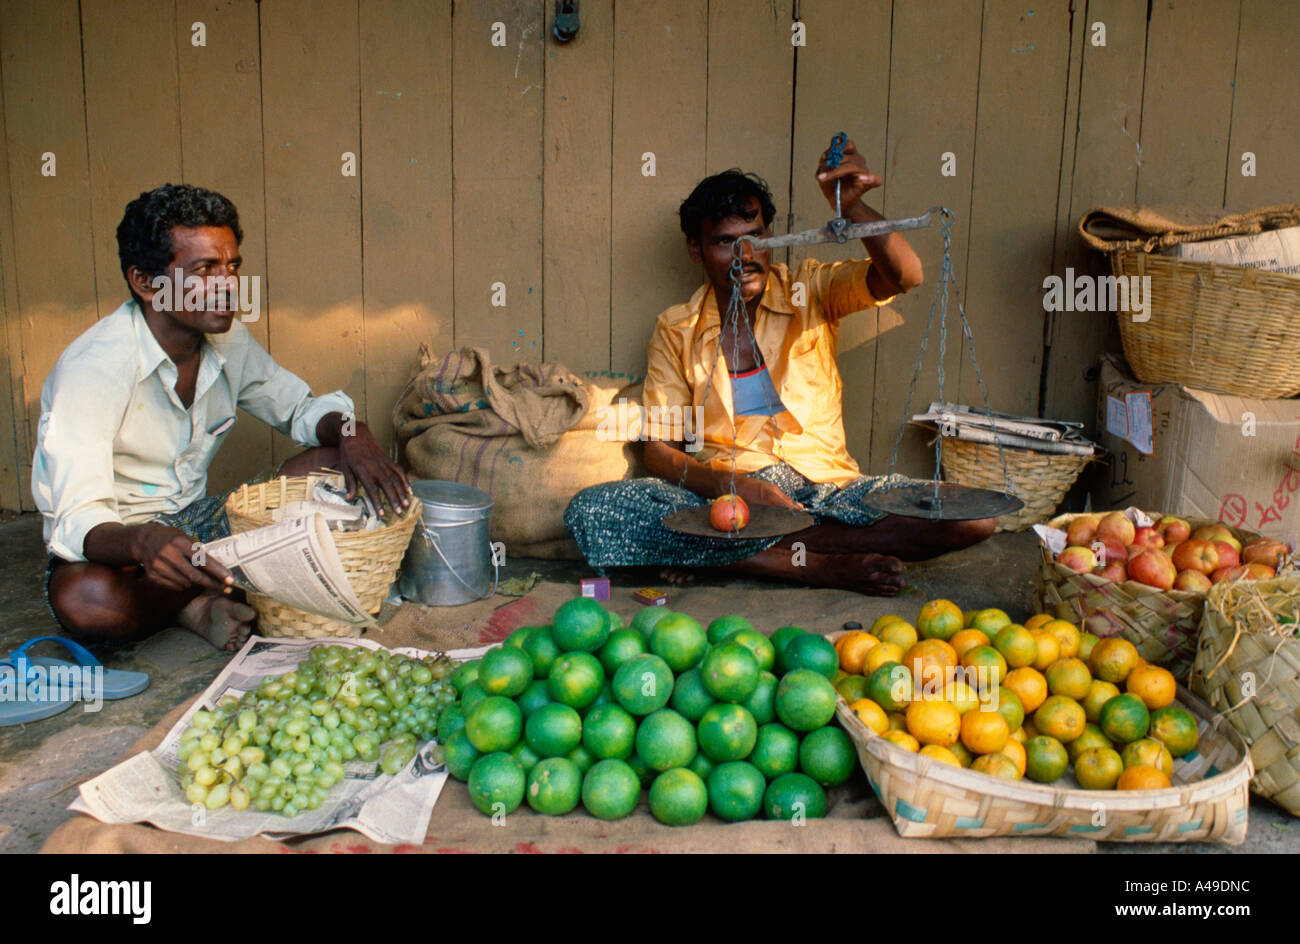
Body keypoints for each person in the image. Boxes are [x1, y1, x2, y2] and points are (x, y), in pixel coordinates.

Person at [565, 139, 995, 596]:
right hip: (731, 497)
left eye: (755, 237)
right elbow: (658, 450)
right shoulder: (678, 328)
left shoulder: (810, 288)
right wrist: (734, 486)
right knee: (595, 508)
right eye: (725, 242)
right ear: (696, 250)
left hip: (828, 489)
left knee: (973, 519)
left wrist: (857, 210)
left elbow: (905, 276)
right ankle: (817, 567)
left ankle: (743, 556)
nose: (745, 255)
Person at [33, 184, 412, 650]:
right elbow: (77, 520)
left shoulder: (229, 343)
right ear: (146, 283)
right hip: (122, 546)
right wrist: (143, 542)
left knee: (332, 459)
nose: (228, 286)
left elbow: (299, 409)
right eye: (204, 270)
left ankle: (203, 592)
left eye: (232, 267)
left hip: (200, 525)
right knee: (86, 600)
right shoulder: (92, 371)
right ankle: (210, 598)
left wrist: (356, 432)